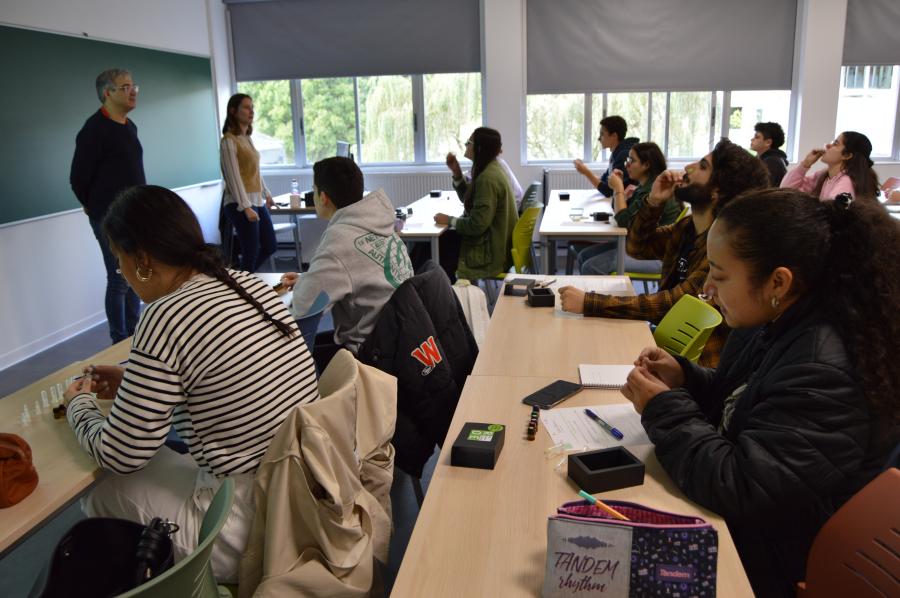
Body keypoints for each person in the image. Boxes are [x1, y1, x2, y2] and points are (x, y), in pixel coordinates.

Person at [621, 188, 900, 597]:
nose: (707, 291)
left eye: (718, 276)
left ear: (778, 281)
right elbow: (744, 401)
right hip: (758, 524)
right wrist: (685, 380)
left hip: (772, 554)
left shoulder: (824, 367)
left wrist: (665, 408)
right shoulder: (775, 319)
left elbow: (740, 485)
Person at [62, 185, 319, 583]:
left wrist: (78, 405)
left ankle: (173, 584)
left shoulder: (163, 315)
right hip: (303, 492)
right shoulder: (248, 286)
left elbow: (122, 454)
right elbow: (224, 376)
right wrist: (133, 380)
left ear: (142, 260)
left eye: (120, 262)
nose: (124, 275)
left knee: (103, 493)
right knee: (160, 461)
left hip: (250, 526)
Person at [559, 139, 770, 366]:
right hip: (667, 347)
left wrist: (591, 302)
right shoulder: (687, 227)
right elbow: (637, 248)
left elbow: (674, 303)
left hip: (693, 368)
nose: (688, 167)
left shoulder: (723, 249)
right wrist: (653, 201)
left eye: (703, 166)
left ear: (716, 192)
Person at [280, 157, 414, 354]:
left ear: (323, 197)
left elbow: (303, 308)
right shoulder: (378, 222)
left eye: (313, 189)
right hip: (401, 337)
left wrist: (307, 286)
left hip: (371, 353)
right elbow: (358, 269)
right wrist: (307, 279)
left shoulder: (340, 240)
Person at [70, 68, 144, 343]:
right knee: (118, 278)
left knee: (136, 274)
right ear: (107, 93)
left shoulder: (129, 126)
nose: (133, 91)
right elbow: (78, 178)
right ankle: (118, 342)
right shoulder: (93, 130)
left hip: (134, 214)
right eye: (125, 87)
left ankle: (135, 337)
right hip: (108, 217)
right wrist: (94, 207)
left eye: (134, 85)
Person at [577, 142, 682, 275]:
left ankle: (602, 296)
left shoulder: (651, 191)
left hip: (656, 256)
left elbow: (623, 222)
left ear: (646, 165)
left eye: (632, 160)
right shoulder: (645, 186)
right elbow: (622, 216)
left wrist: (618, 189)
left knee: (590, 266)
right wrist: (618, 192)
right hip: (638, 245)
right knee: (583, 255)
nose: (626, 164)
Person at [435, 127, 518, 281]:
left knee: (432, 250)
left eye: (469, 143)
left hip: (489, 253)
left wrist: (449, 220)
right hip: (493, 244)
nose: (466, 145)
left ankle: (446, 299)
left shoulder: (487, 178)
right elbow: (471, 200)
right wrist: (457, 174)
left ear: (479, 148)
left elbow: (477, 225)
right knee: (436, 244)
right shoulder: (491, 168)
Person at [220, 93, 277, 272]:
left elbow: (254, 171)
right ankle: (244, 286)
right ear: (233, 111)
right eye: (246, 107)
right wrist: (245, 206)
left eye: (252, 107)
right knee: (250, 251)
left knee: (270, 245)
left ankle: (242, 279)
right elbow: (233, 177)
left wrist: (266, 193)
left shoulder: (247, 139)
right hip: (238, 204)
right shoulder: (228, 141)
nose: (251, 111)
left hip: (255, 201)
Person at [781, 131, 879, 200]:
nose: (828, 146)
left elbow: (833, 215)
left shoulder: (846, 182)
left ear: (847, 155)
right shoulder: (824, 176)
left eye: (835, 144)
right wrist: (805, 164)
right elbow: (785, 190)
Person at [573, 115, 639, 196]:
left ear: (614, 136)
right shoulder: (616, 153)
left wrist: (586, 172)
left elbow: (608, 191)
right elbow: (603, 182)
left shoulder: (624, 155)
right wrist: (584, 170)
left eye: (602, 134)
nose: (599, 138)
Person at [750, 121, 789, 186]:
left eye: (757, 137)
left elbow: (764, 189)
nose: (752, 139)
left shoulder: (772, 162)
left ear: (768, 142)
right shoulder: (762, 159)